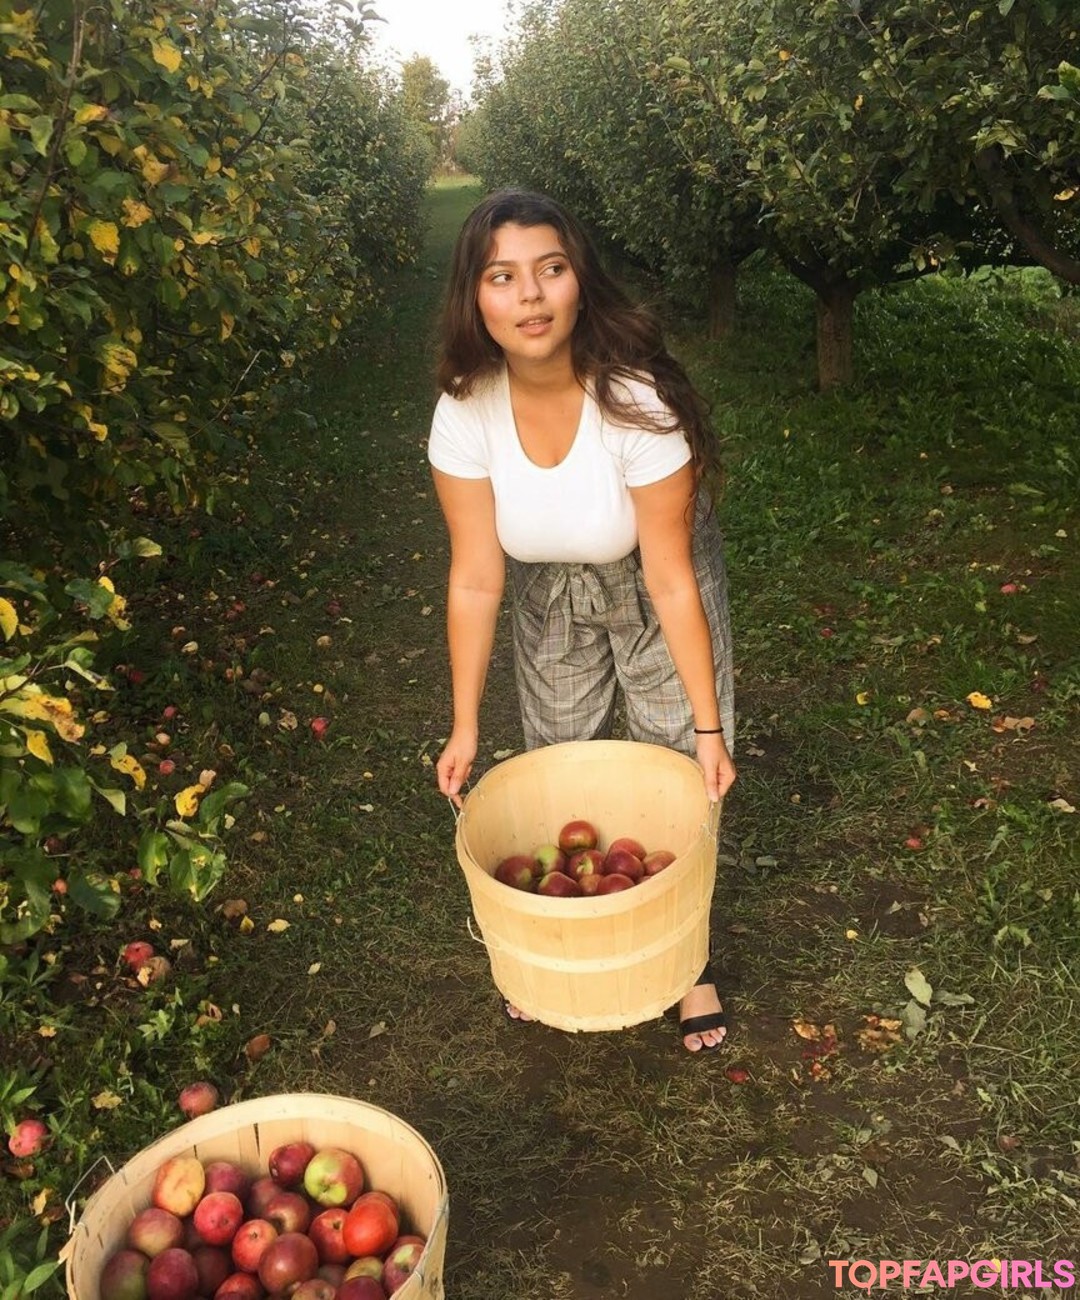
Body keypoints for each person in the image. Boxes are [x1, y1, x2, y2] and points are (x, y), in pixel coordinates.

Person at [427, 188, 736, 1053]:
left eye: (550, 269)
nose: (529, 296)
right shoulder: (466, 410)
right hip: (549, 586)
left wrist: (709, 727)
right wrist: (463, 725)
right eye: (502, 276)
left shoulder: (636, 402)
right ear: (475, 296)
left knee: (680, 772)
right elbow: (476, 577)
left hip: (651, 576)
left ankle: (688, 960)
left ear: (580, 281)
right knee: (559, 762)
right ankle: (565, 937)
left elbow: (671, 578)